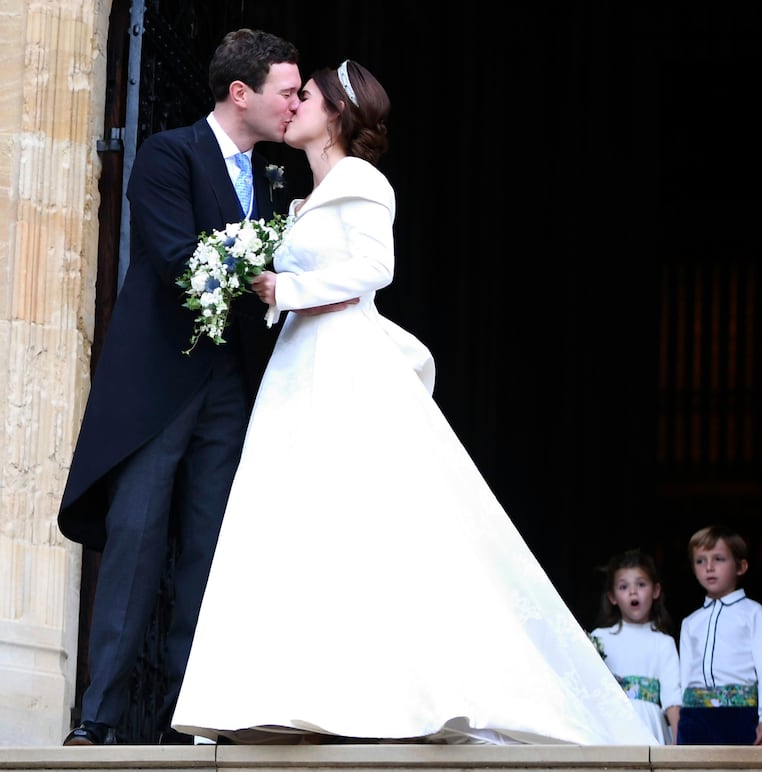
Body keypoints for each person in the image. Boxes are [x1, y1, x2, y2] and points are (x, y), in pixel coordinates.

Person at [169, 59, 658, 747]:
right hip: (302, 365)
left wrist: (288, 291)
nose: (293, 105)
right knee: (299, 521)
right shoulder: (305, 199)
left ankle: (385, 697)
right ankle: (294, 694)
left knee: (363, 518)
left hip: (341, 362)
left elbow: (376, 268)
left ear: (336, 112)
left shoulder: (362, 180)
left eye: (304, 95)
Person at [58, 29, 350, 746]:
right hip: (163, 382)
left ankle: (196, 718)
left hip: (232, 386)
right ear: (240, 93)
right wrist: (255, 270)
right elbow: (171, 255)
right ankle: (99, 718)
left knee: (211, 552)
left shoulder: (277, 179)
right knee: (136, 541)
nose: (294, 105)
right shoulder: (168, 154)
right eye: (287, 92)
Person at [677, 524, 762, 745]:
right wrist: (681, 718)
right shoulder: (690, 622)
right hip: (695, 715)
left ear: (741, 567)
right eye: (700, 561)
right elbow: (685, 676)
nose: (709, 567)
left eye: (719, 559)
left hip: (741, 713)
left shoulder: (753, 613)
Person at [589, 549, 681, 744]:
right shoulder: (600, 638)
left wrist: (678, 742)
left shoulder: (663, 643)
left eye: (640, 584)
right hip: (610, 726)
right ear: (612, 597)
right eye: (623, 587)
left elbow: (672, 697)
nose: (633, 591)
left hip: (649, 725)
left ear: (656, 591)